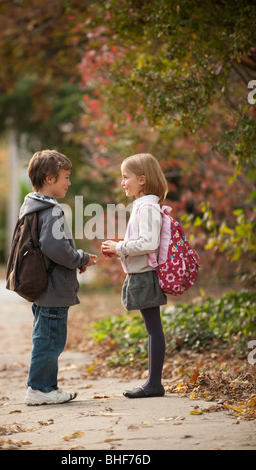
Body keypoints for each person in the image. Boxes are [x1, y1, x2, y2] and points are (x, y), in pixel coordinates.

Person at [21, 149, 97, 405]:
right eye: (65, 176)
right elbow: (55, 248)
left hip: (45, 286)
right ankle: (39, 389)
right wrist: (80, 258)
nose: (69, 182)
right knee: (50, 341)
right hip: (53, 288)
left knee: (47, 338)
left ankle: (47, 387)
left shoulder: (33, 206)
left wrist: (74, 260)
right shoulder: (51, 210)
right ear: (50, 178)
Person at [101, 153, 168, 398]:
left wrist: (119, 248)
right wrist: (118, 250)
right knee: (153, 329)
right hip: (141, 274)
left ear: (142, 180)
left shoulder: (148, 208)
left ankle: (154, 384)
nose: (122, 183)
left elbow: (148, 243)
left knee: (154, 329)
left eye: (125, 177)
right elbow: (141, 243)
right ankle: (153, 382)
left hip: (145, 276)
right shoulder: (143, 206)